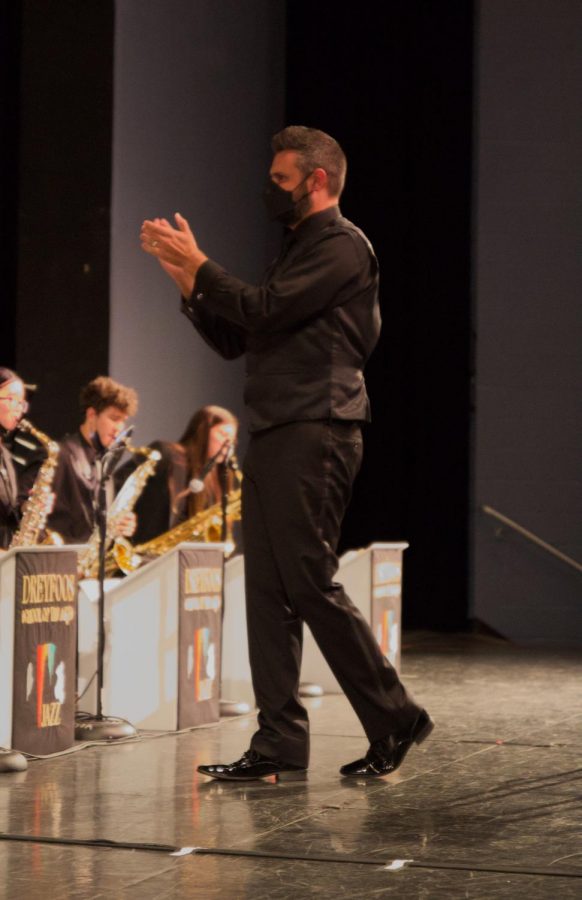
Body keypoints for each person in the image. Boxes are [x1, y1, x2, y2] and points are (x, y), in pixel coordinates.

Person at [140, 125, 433, 780]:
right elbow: (235, 337)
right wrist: (190, 283)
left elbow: (263, 309)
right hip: (279, 427)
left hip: (317, 428)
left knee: (308, 580)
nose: (270, 190)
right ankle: (278, 744)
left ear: (317, 180)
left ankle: (396, 714)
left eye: (280, 180)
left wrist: (202, 266)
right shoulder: (299, 248)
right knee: (268, 590)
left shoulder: (343, 247)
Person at [116, 404, 238, 546]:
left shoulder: (220, 478)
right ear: (202, 432)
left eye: (233, 439)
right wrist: (122, 517)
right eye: (223, 435)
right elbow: (118, 483)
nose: (229, 444)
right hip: (141, 554)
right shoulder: (166, 454)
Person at [47, 375, 138, 544]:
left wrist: (119, 525)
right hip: (62, 564)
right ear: (91, 415)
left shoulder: (105, 462)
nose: (119, 428)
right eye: (114, 418)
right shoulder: (60, 455)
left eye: (123, 421)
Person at [0, 369, 28, 548]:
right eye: (11, 399)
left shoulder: (6, 456)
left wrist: (26, 508)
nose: (18, 408)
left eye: (21, 403)